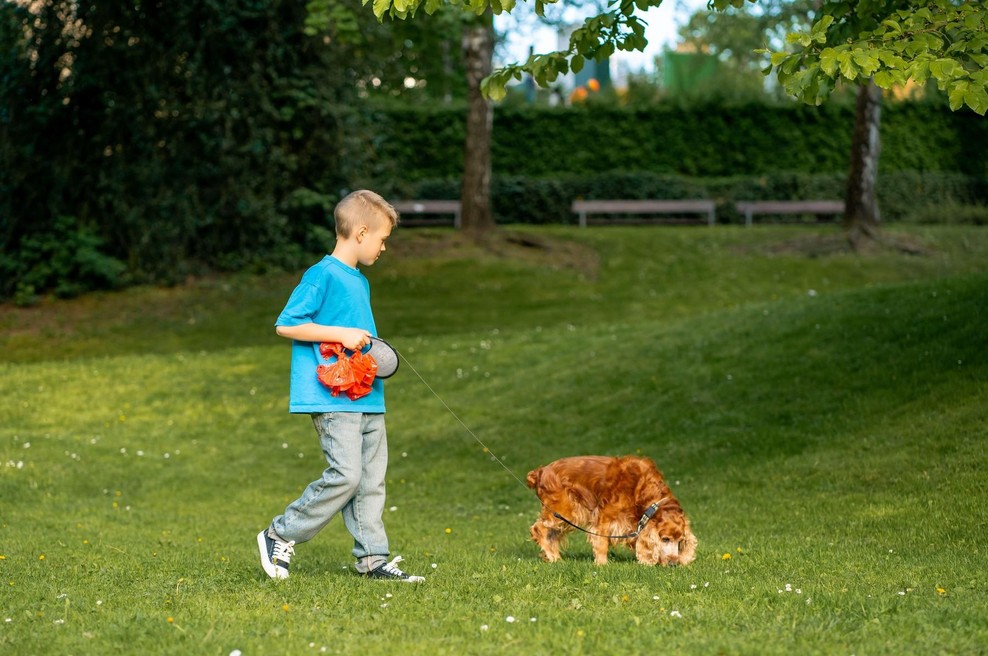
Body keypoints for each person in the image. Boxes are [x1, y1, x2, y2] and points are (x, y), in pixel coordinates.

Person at [257, 189, 423, 583]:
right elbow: (287, 323)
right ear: (361, 233)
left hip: (368, 396)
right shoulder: (322, 274)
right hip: (332, 396)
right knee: (346, 475)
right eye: (382, 239)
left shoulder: (359, 282)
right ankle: (280, 532)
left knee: (369, 481)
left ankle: (372, 559)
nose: (384, 247)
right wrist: (342, 334)